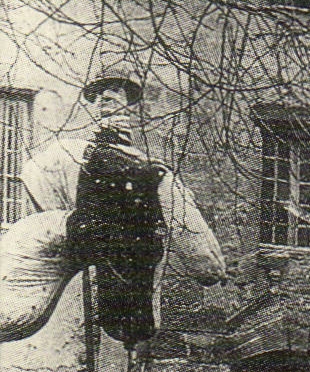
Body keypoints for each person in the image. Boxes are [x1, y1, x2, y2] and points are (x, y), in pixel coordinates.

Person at [1, 63, 224, 344]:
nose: (107, 101)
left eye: (115, 95)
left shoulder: (147, 172)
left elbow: (206, 265)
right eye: (104, 96)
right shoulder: (69, 157)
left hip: (96, 241)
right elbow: (206, 265)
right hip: (73, 234)